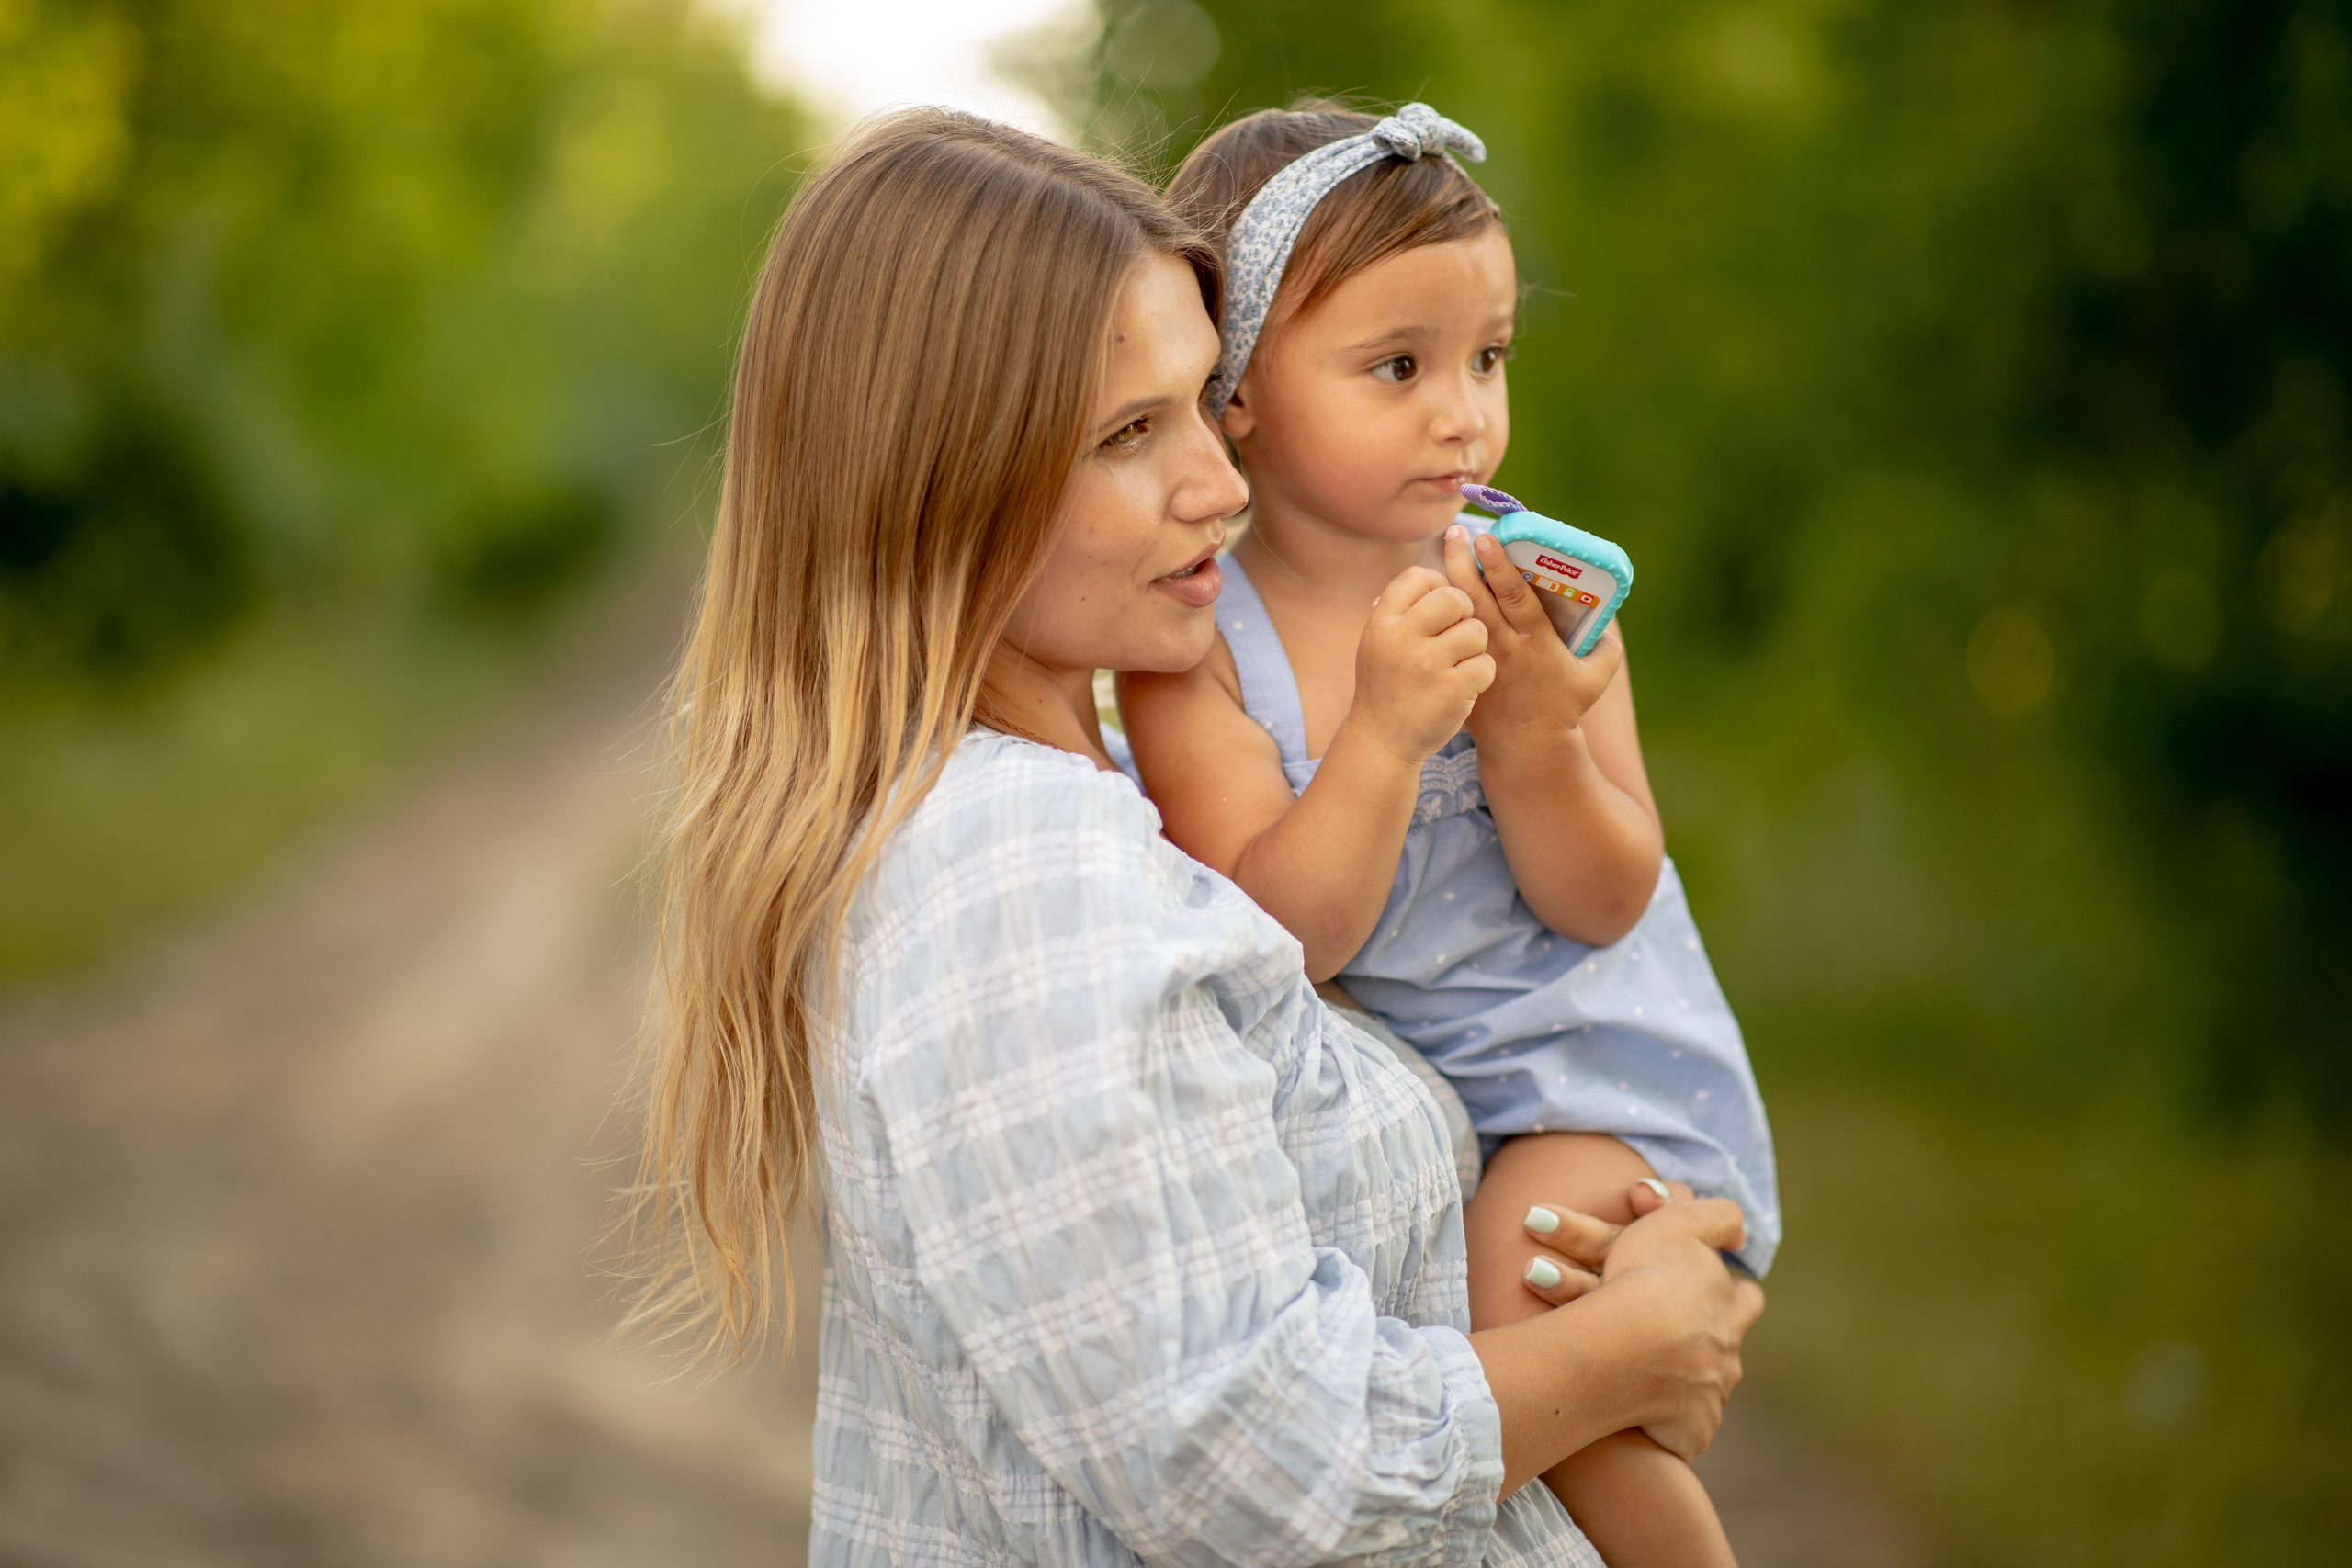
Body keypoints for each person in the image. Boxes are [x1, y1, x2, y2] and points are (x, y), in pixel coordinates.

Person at [630, 107, 1763, 1568]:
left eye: (1202, 406)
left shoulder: (1091, 811)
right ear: (937, 478)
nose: (1221, 488)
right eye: (1129, 434)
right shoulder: (1021, 874)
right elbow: (1240, 1457)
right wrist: (1627, 1352)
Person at [1117, 102, 1781, 1566]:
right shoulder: (1194, 647)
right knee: (1464, 1396)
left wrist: (1533, 727)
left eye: (1488, 359)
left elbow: (1609, 895)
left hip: (1581, 1078)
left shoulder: (1523, 578)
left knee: (1536, 1349)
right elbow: (1283, 936)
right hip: (1424, 1107)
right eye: (1397, 367)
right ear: (1233, 392)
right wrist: (1382, 739)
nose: (1462, 412)